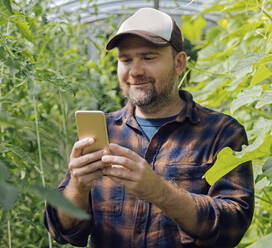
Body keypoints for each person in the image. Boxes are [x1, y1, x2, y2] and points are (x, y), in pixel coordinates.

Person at [44, 7, 254, 248]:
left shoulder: (222, 133)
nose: (135, 71)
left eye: (148, 57)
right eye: (126, 60)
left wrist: (160, 191)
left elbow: (233, 225)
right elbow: (60, 230)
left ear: (179, 63)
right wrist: (78, 187)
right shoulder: (104, 131)